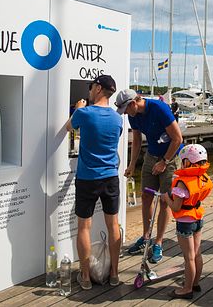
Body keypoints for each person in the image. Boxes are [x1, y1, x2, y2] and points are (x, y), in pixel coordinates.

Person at [66, 75, 123, 289]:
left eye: (91, 87)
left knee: (84, 227)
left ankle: (86, 277)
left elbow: (67, 128)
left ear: (98, 88)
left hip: (88, 178)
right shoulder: (118, 118)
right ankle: (115, 274)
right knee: (113, 225)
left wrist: (77, 108)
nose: (89, 90)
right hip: (110, 178)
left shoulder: (83, 113)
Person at [116, 90, 184, 263]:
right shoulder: (134, 115)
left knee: (165, 200)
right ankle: (146, 237)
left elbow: (177, 139)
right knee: (146, 196)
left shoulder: (159, 108)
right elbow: (137, 140)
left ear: (133, 103)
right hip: (151, 156)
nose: (124, 113)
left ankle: (159, 242)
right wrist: (131, 164)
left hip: (170, 157)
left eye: (125, 109)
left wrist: (164, 162)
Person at [161, 144, 213, 299]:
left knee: (188, 257)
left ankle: (187, 289)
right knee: (197, 254)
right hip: (198, 217)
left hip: (185, 221)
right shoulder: (202, 177)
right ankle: (195, 283)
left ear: (187, 162)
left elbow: (176, 208)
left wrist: (166, 198)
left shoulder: (182, 182)